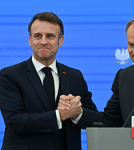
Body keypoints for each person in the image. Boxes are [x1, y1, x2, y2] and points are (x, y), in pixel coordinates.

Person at [0, 12, 97, 150]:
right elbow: (15, 121)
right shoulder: (9, 75)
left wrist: (77, 113)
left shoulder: (75, 76)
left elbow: (95, 120)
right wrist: (60, 115)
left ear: (60, 40)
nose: (43, 41)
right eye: (38, 36)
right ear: (30, 40)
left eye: (50, 36)